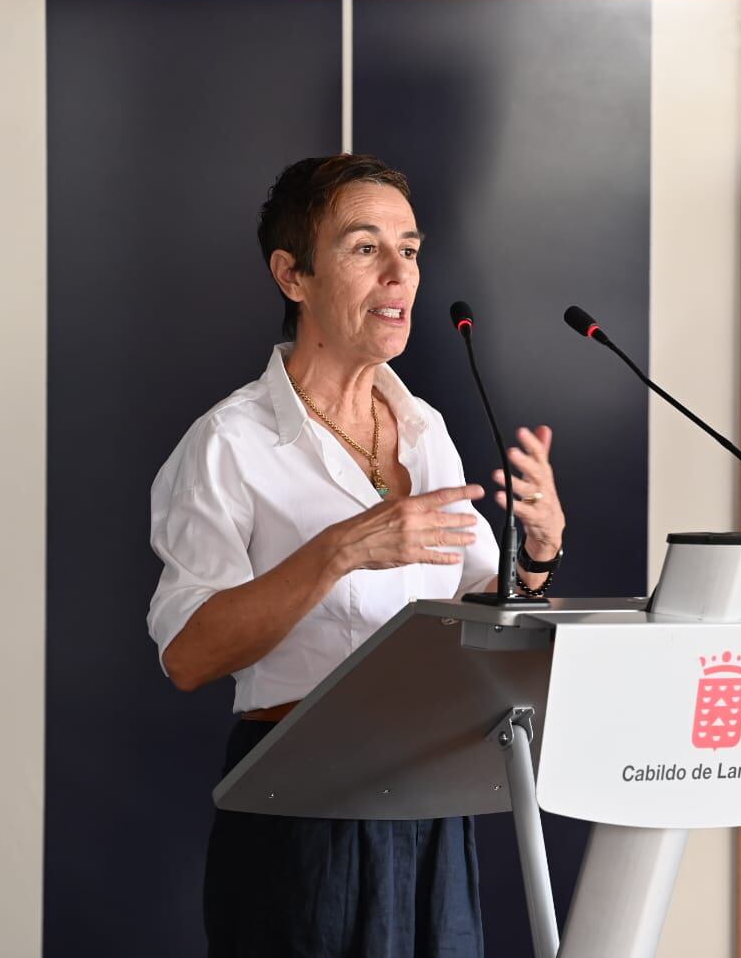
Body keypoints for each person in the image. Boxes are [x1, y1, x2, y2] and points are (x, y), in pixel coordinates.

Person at [146, 154, 567, 957]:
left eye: (409, 249)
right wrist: (338, 552)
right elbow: (189, 656)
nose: (399, 272)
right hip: (302, 799)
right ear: (292, 275)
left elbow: (479, 612)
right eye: (365, 247)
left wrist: (538, 557)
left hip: (430, 797)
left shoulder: (425, 428)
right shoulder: (229, 445)